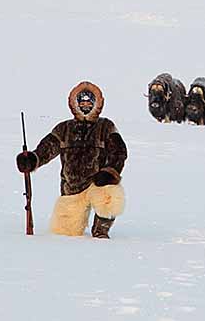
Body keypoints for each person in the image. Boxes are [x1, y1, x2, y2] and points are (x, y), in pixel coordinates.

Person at [16, 81, 128, 239]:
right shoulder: (64, 128)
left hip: (98, 184)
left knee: (110, 198)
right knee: (64, 235)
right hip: (72, 189)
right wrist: (31, 160)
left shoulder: (106, 126)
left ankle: (100, 232)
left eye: (89, 102)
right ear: (74, 104)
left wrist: (109, 173)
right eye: (82, 102)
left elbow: (119, 152)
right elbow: (45, 150)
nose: (85, 105)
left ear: (97, 103)